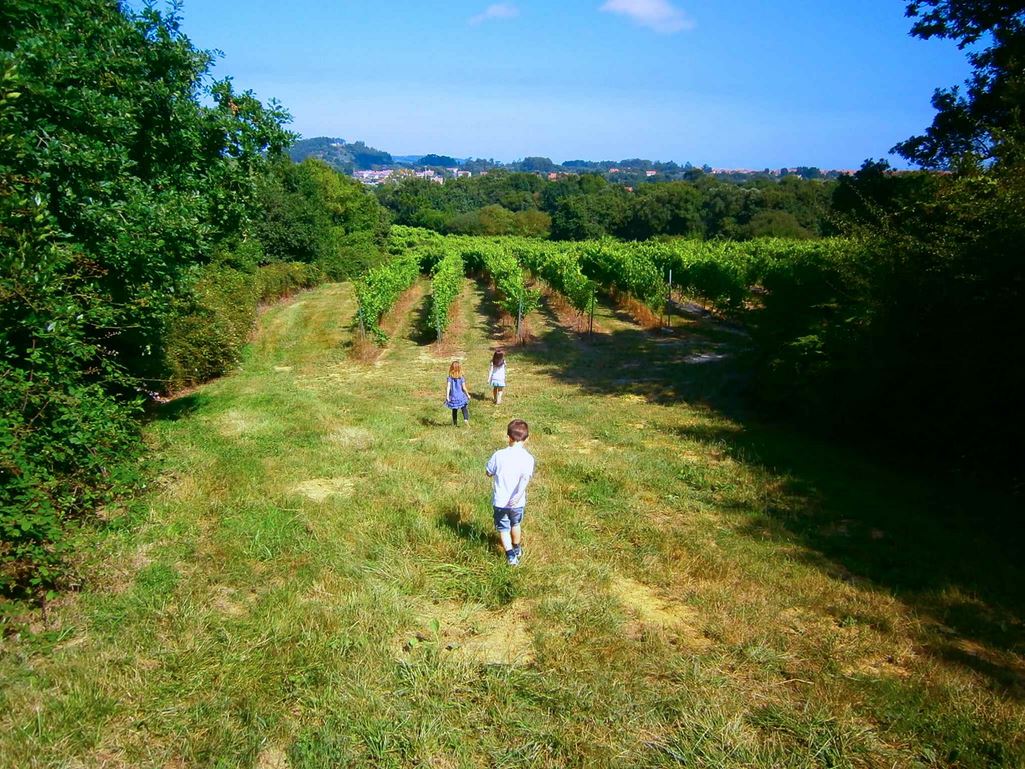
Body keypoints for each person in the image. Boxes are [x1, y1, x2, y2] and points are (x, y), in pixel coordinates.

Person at [485, 419, 535, 566]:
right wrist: (518, 495)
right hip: (517, 502)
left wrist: (491, 473)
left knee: (503, 528)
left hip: (500, 501)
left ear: (508, 437)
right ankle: (517, 548)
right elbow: (525, 478)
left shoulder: (498, 455)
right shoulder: (528, 458)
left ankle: (510, 556)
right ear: (527, 438)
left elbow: (489, 472)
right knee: (515, 524)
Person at [444, 360, 471, 426]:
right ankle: (465, 419)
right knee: (464, 408)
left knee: (454, 410)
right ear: (460, 368)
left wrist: (447, 396)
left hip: (453, 397)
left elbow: (448, 387)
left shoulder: (450, 378)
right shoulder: (461, 378)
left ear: (451, 368)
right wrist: (467, 395)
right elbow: (464, 388)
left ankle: (455, 423)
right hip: (461, 396)